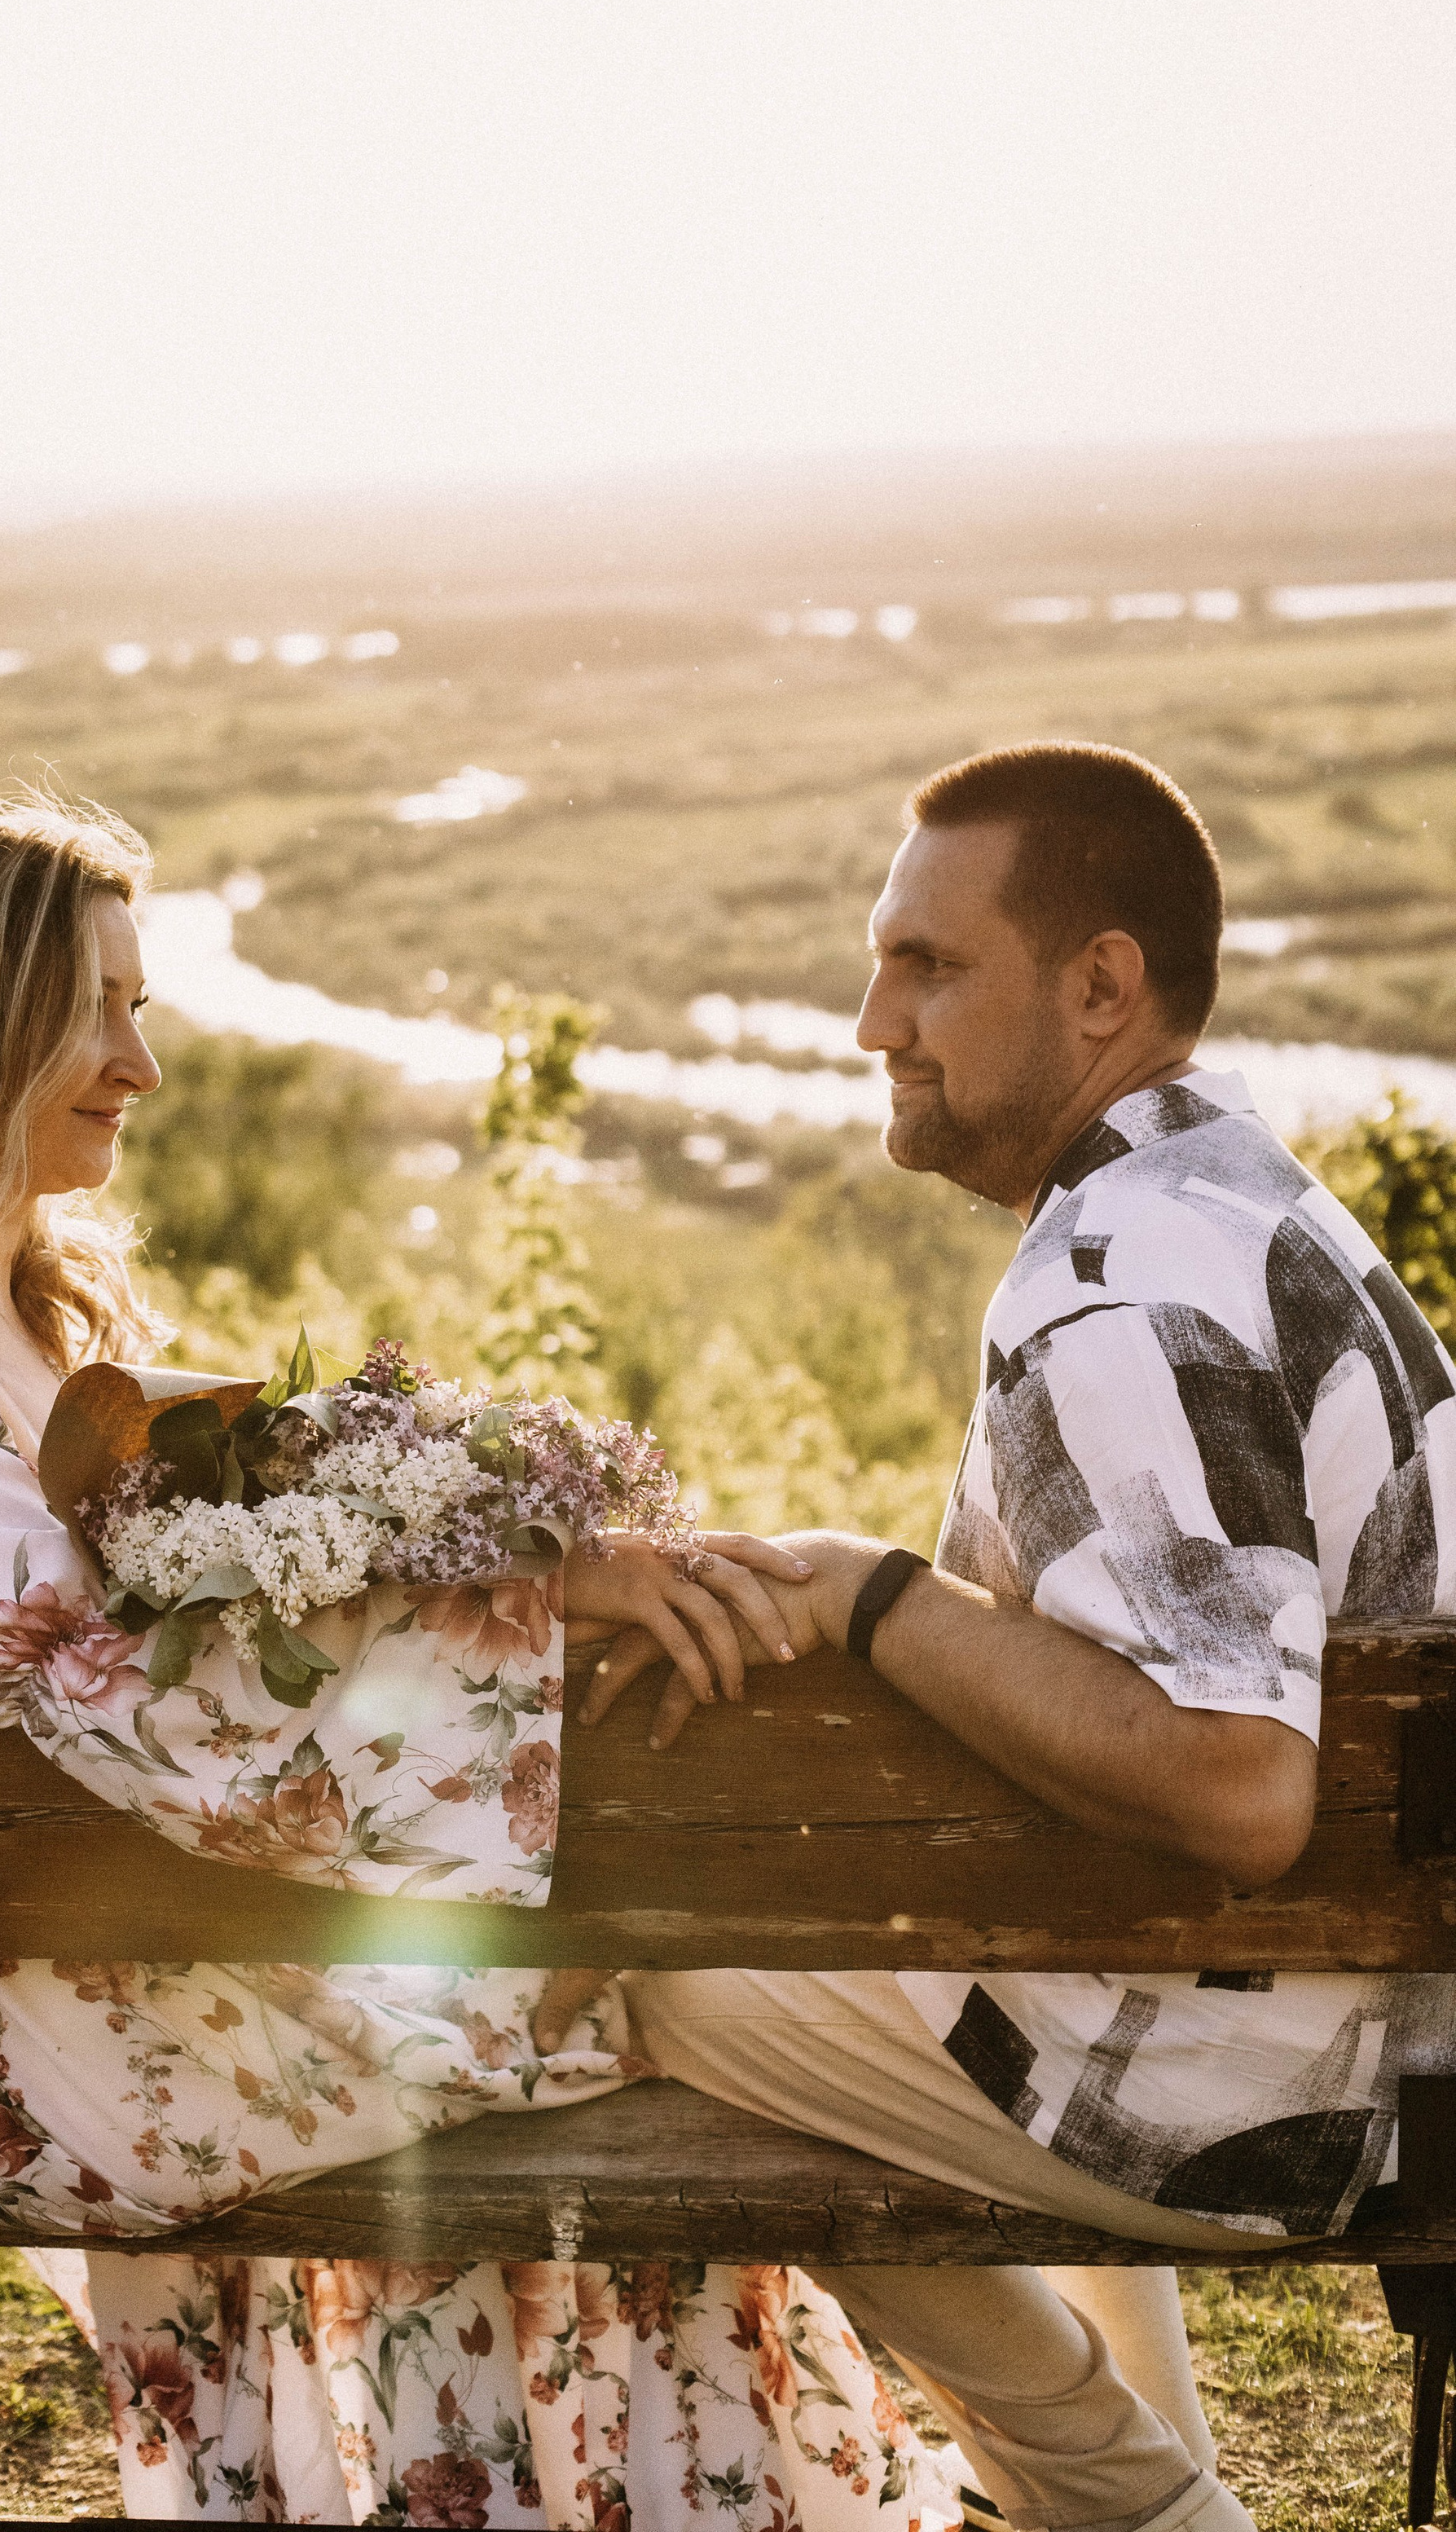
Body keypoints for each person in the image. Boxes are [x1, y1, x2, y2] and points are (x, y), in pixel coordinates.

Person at [0, 788, 967, 2530]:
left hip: (90, 1928)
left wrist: (537, 1555)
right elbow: (127, 1693)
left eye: (142, 1010)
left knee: (587, 1989)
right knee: (590, 2000)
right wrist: (533, 1614)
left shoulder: (11, 1310)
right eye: (99, 1011)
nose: (141, 1061)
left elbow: (234, 1582)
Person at [552, 738, 1456, 2532]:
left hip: (1294, 2092)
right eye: (880, 959)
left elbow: (1235, 1790)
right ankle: (1132, 2490)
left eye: (927, 966)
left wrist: (872, 1595)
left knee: (653, 1982)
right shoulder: (1231, 1196)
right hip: (1361, 2027)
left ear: (1099, 987)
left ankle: (1132, 2509)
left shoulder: (1114, 1291)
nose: (869, 1017)